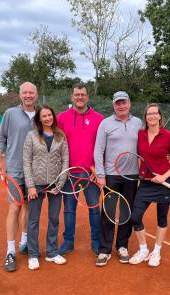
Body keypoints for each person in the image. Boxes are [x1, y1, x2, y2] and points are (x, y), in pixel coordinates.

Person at [129, 103, 170, 267]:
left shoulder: (168, 136)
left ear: (160, 116)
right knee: (135, 217)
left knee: (162, 218)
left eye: (154, 113)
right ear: (145, 117)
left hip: (164, 183)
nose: (151, 116)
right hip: (145, 183)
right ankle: (143, 249)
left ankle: (157, 252)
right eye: (148, 114)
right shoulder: (140, 134)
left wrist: (164, 177)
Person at [93, 91, 142, 266]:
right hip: (111, 176)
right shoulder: (105, 124)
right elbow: (98, 150)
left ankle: (122, 246)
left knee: (126, 213)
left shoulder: (137, 122)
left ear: (129, 103)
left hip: (131, 175)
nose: (121, 106)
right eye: (117, 103)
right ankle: (104, 250)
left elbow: (144, 146)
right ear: (114, 105)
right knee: (108, 213)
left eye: (124, 102)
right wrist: (100, 174)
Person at [0, 82, 37, 272]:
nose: (28, 95)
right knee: (14, 207)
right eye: (25, 92)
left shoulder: (42, 114)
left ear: (36, 94)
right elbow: (0, 137)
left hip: (35, 171)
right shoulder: (10, 114)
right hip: (15, 170)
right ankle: (10, 251)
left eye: (31, 92)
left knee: (29, 207)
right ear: (20, 95)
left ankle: (25, 241)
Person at [57, 83, 104, 256]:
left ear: (87, 97)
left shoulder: (99, 118)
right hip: (70, 173)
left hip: (91, 173)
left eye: (83, 94)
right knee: (69, 210)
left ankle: (96, 242)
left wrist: (98, 170)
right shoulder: (62, 117)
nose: (80, 97)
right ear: (72, 97)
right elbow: (56, 144)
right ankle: (68, 242)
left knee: (94, 208)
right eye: (77, 94)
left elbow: (103, 146)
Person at [23, 105, 69, 270]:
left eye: (50, 115)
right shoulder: (31, 136)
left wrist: (60, 184)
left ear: (53, 116)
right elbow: (26, 162)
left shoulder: (60, 135)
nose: (48, 118)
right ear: (39, 119)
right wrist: (30, 186)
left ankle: (51, 252)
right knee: (33, 220)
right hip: (36, 185)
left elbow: (65, 161)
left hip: (55, 185)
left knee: (54, 219)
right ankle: (33, 255)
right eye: (44, 116)